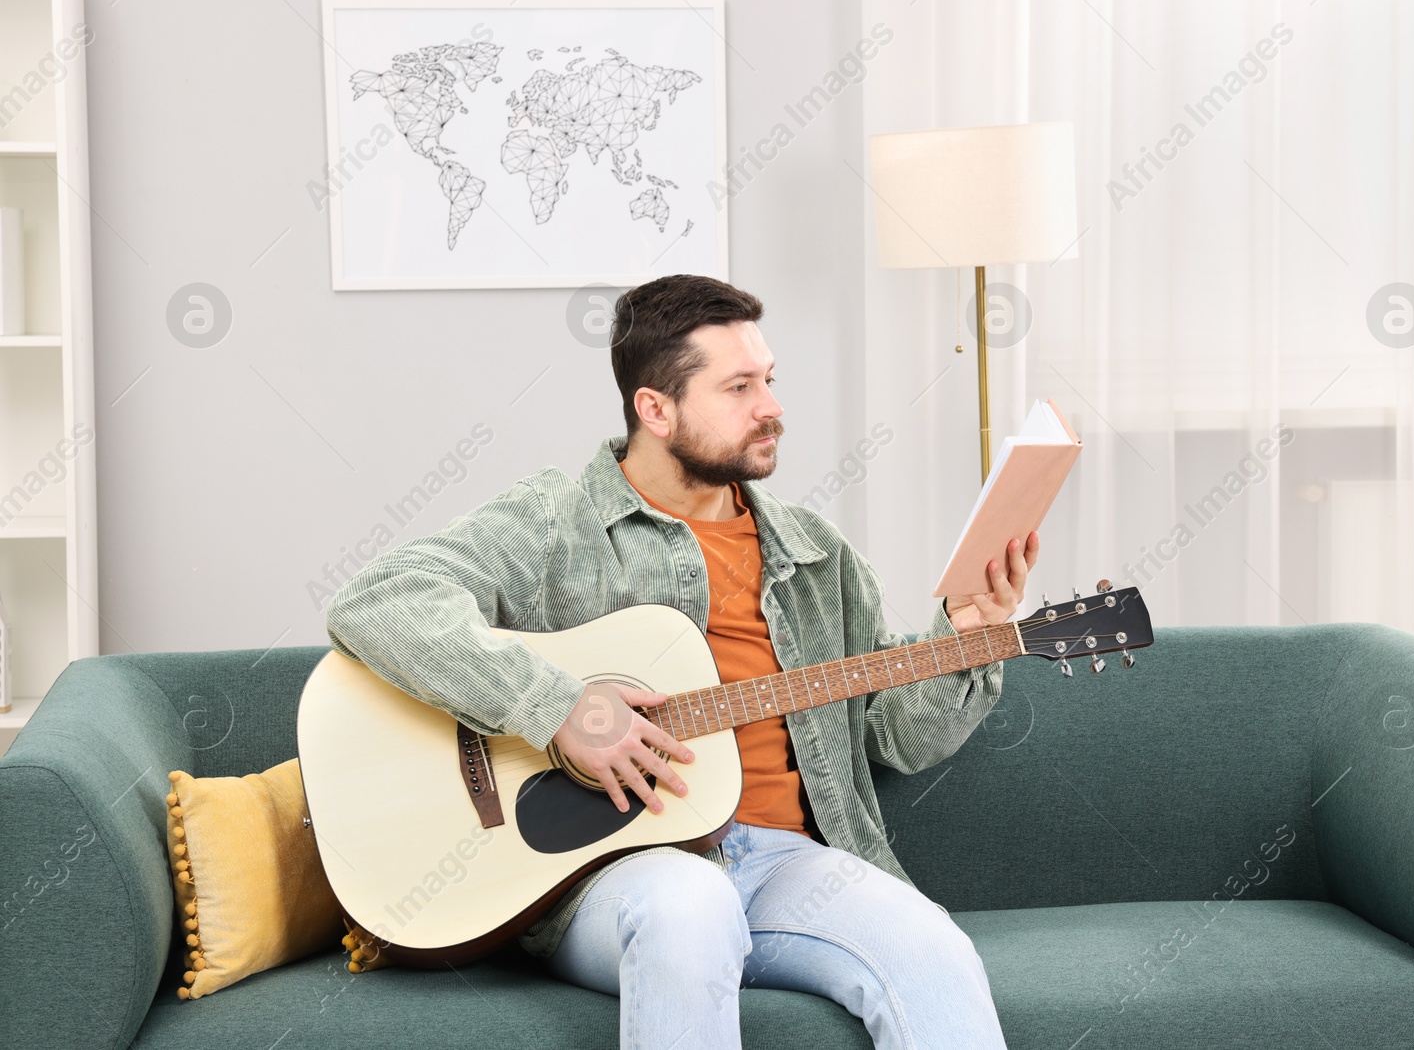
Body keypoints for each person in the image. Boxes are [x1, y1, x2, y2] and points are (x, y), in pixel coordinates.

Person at [324, 273, 1039, 1049]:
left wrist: (968, 633)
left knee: (931, 946)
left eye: (769, 379)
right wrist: (556, 706)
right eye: (739, 387)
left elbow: (892, 736)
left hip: (789, 864)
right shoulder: (556, 521)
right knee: (690, 902)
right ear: (655, 409)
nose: (772, 406)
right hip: (613, 876)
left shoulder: (813, 551)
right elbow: (380, 597)